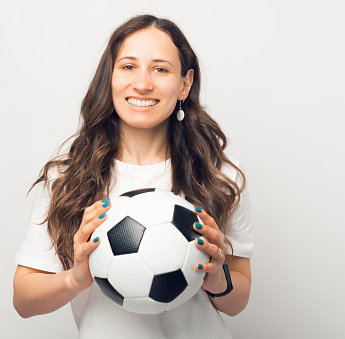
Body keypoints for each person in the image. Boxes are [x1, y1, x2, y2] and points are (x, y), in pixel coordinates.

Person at [13, 14, 253, 338]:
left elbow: (238, 301)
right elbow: (24, 301)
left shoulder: (220, 175)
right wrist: (75, 278)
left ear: (184, 83)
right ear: (109, 77)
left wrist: (218, 279)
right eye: (128, 66)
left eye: (161, 69)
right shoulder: (67, 177)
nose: (142, 83)